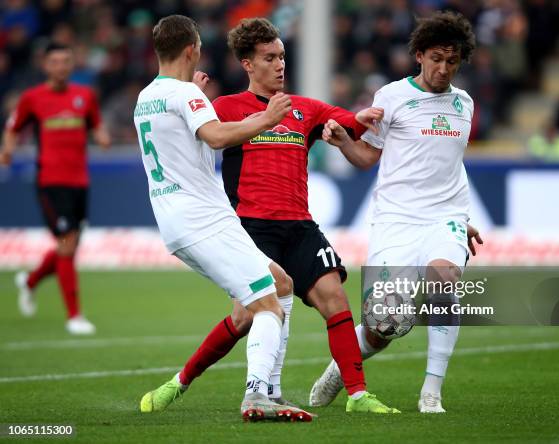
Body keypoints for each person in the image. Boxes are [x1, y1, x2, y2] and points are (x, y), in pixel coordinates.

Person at [143, 17, 399, 415]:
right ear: (248, 64)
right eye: (269, 58)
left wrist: (359, 119)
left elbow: (347, 119)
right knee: (247, 316)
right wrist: (195, 97)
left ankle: (357, 394)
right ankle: (182, 381)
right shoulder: (224, 108)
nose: (280, 65)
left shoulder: (304, 109)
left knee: (335, 295)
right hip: (250, 225)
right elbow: (191, 133)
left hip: (299, 226)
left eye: (282, 56)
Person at [133, 15, 316, 422]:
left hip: (175, 223)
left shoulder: (146, 98)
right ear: (191, 50)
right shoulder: (187, 98)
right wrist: (266, 120)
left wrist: (193, 97)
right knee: (268, 305)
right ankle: (256, 395)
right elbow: (215, 137)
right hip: (205, 219)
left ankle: (272, 387)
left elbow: (181, 136)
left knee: (280, 282)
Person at [309, 11, 483, 414]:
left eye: (452, 60)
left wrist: (460, 221)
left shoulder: (465, 103)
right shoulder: (391, 97)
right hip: (396, 220)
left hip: (445, 216)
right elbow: (368, 158)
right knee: (384, 325)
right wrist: (342, 144)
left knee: (445, 280)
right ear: (419, 55)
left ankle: (431, 392)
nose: (443, 68)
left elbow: (447, 163)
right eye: (436, 58)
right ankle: (339, 369)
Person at [0, 43, 111, 335]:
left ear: (72, 64)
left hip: (80, 181)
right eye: (55, 61)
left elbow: (96, 124)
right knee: (68, 243)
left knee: (68, 247)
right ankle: (74, 316)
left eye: (66, 60)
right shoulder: (32, 98)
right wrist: (7, 150)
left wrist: (101, 136)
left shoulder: (84, 96)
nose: (61, 66)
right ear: (45, 65)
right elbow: (12, 128)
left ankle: (30, 281)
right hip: (50, 181)